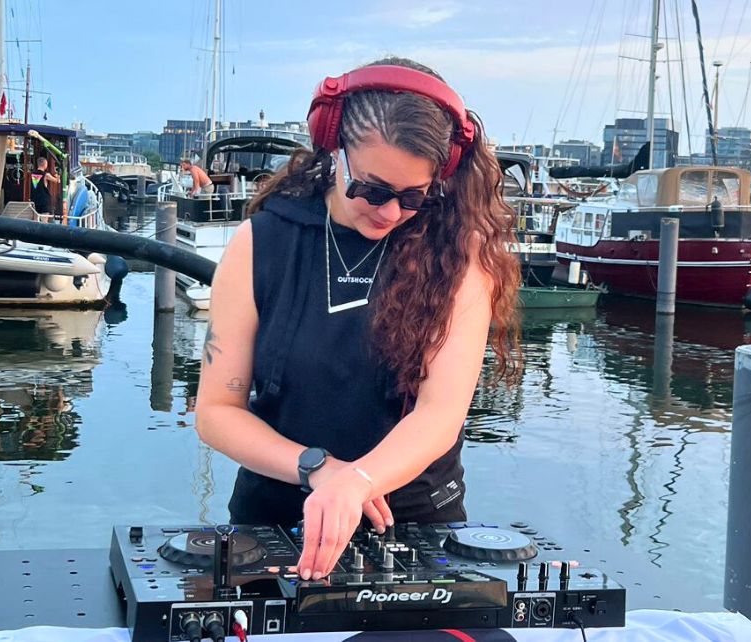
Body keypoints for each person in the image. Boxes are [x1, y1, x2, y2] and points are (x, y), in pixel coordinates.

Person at [194, 57, 521, 581]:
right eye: (372, 189)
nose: (390, 212)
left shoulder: (462, 257)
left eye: (414, 196)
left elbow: (439, 416)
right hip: (272, 526)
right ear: (335, 151)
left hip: (416, 528)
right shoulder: (261, 241)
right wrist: (321, 471)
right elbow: (216, 411)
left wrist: (359, 481)